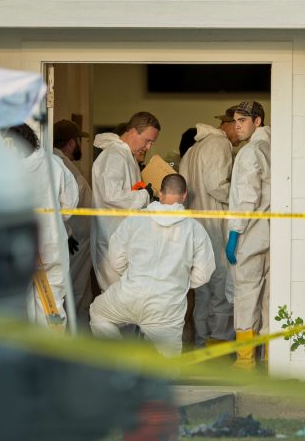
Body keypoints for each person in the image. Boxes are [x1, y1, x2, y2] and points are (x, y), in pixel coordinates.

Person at [88, 174, 216, 356]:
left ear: (160, 193)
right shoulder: (194, 228)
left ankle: (120, 361)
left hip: (129, 295)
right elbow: (204, 274)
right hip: (166, 307)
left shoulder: (135, 219)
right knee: (169, 365)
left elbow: (116, 258)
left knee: (98, 314)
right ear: (185, 195)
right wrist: (180, 282)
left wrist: (131, 276)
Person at [2, 123, 78, 328]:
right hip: (52, 244)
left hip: (21, 246)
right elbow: (70, 205)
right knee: (52, 303)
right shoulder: (54, 165)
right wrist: (54, 222)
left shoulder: (8, 170)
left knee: (21, 305)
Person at [179, 107, 241, 347]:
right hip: (215, 226)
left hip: (194, 228)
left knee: (202, 290)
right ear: (228, 125)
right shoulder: (219, 144)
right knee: (222, 289)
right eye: (237, 126)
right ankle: (220, 346)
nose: (239, 134)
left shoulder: (193, 150)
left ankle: (200, 343)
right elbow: (217, 185)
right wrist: (241, 195)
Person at [91, 111, 160, 293]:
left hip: (123, 240)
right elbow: (112, 196)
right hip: (112, 241)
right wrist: (144, 195)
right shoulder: (114, 156)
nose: (148, 147)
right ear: (133, 132)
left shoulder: (126, 156)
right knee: (118, 302)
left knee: (127, 302)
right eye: (147, 140)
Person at [225, 101, 271, 369]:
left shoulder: (249, 152)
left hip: (249, 235)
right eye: (235, 120)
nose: (237, 125)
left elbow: (247, 197)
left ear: (258, 121)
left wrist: (235, 232)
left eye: (243, 120)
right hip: (269, 234)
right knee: (267, 299)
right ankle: (268, 359)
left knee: (245, 297)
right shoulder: (271, 147)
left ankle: (244, 361)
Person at [52, 119, 93, 326]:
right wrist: (67, 233)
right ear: (70, 142)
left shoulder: (62, 165)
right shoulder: (64, 168)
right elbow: (64, 205)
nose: (80, 145)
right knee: (73, 292)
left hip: (76, 238)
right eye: (78, 140)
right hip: (74, 240)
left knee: (78, 292)